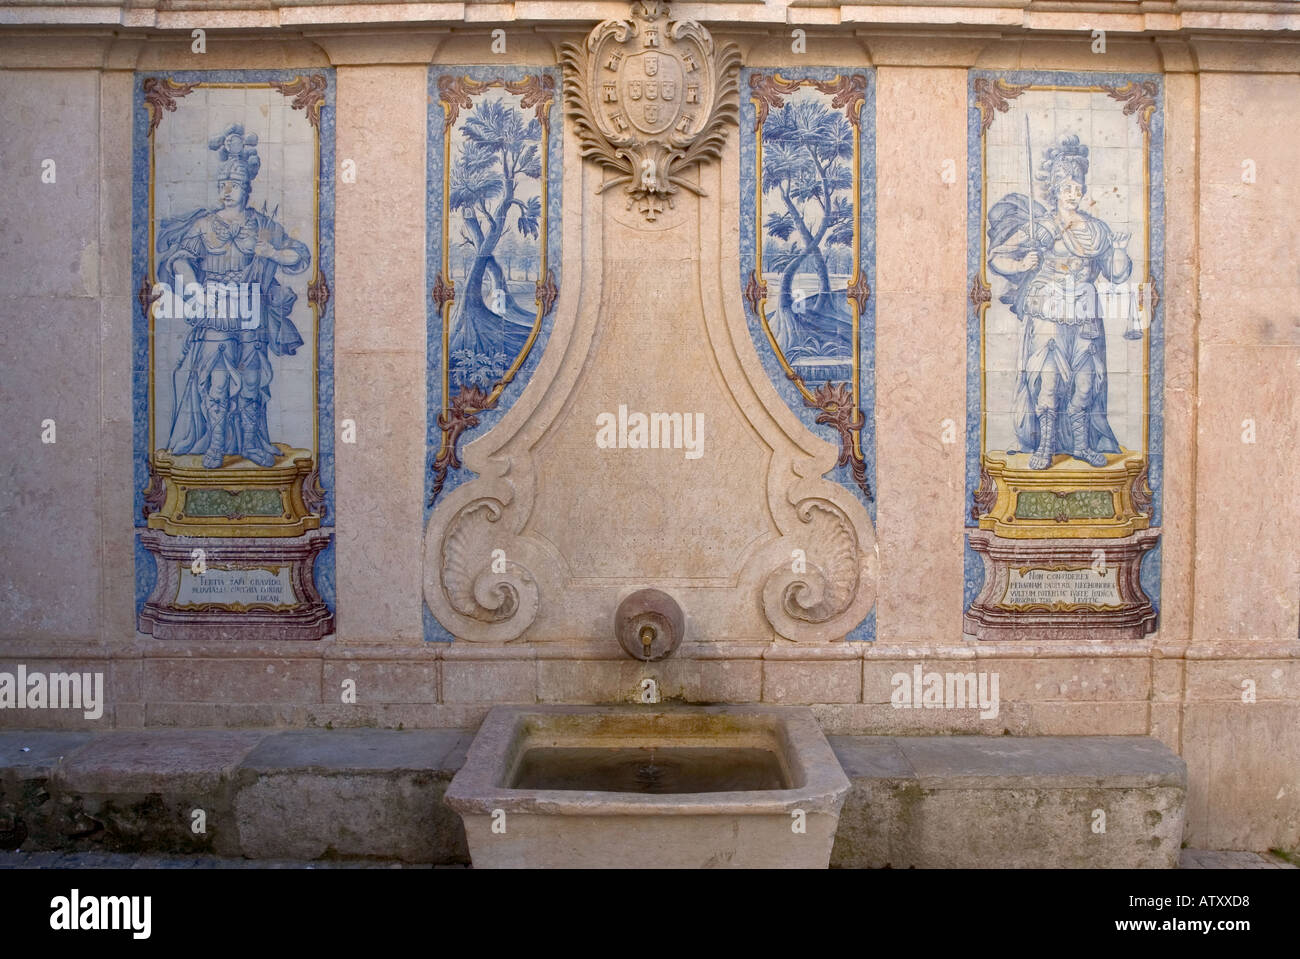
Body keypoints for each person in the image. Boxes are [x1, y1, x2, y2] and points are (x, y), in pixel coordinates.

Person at [158, 124, 310, 468]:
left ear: (247, 188)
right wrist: (194, 288)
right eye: (222, 185)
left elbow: (299, 257)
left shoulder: (261, 224)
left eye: (235, 185)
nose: (227, 190)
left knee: (252, 383)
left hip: (251, 309)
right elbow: (179, 259)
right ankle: (215, 445)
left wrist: (270, 253)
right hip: (215, 309)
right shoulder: (204, 224)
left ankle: (252, 446)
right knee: (217, 384)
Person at [987, 134, 1131, 470]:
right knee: (1048, 382)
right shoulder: (1043, 226)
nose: (1074, 192)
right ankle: (1046, 445)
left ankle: (1081, 444)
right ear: (1055, 188)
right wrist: (1024, 265)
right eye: (1067, 186)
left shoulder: (1096, 230)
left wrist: (1120, 250)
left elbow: (1117, 273)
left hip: (1084, 313)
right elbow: (997, 257)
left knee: (1085, 383)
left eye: (1078, 185)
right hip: (1048, 310)